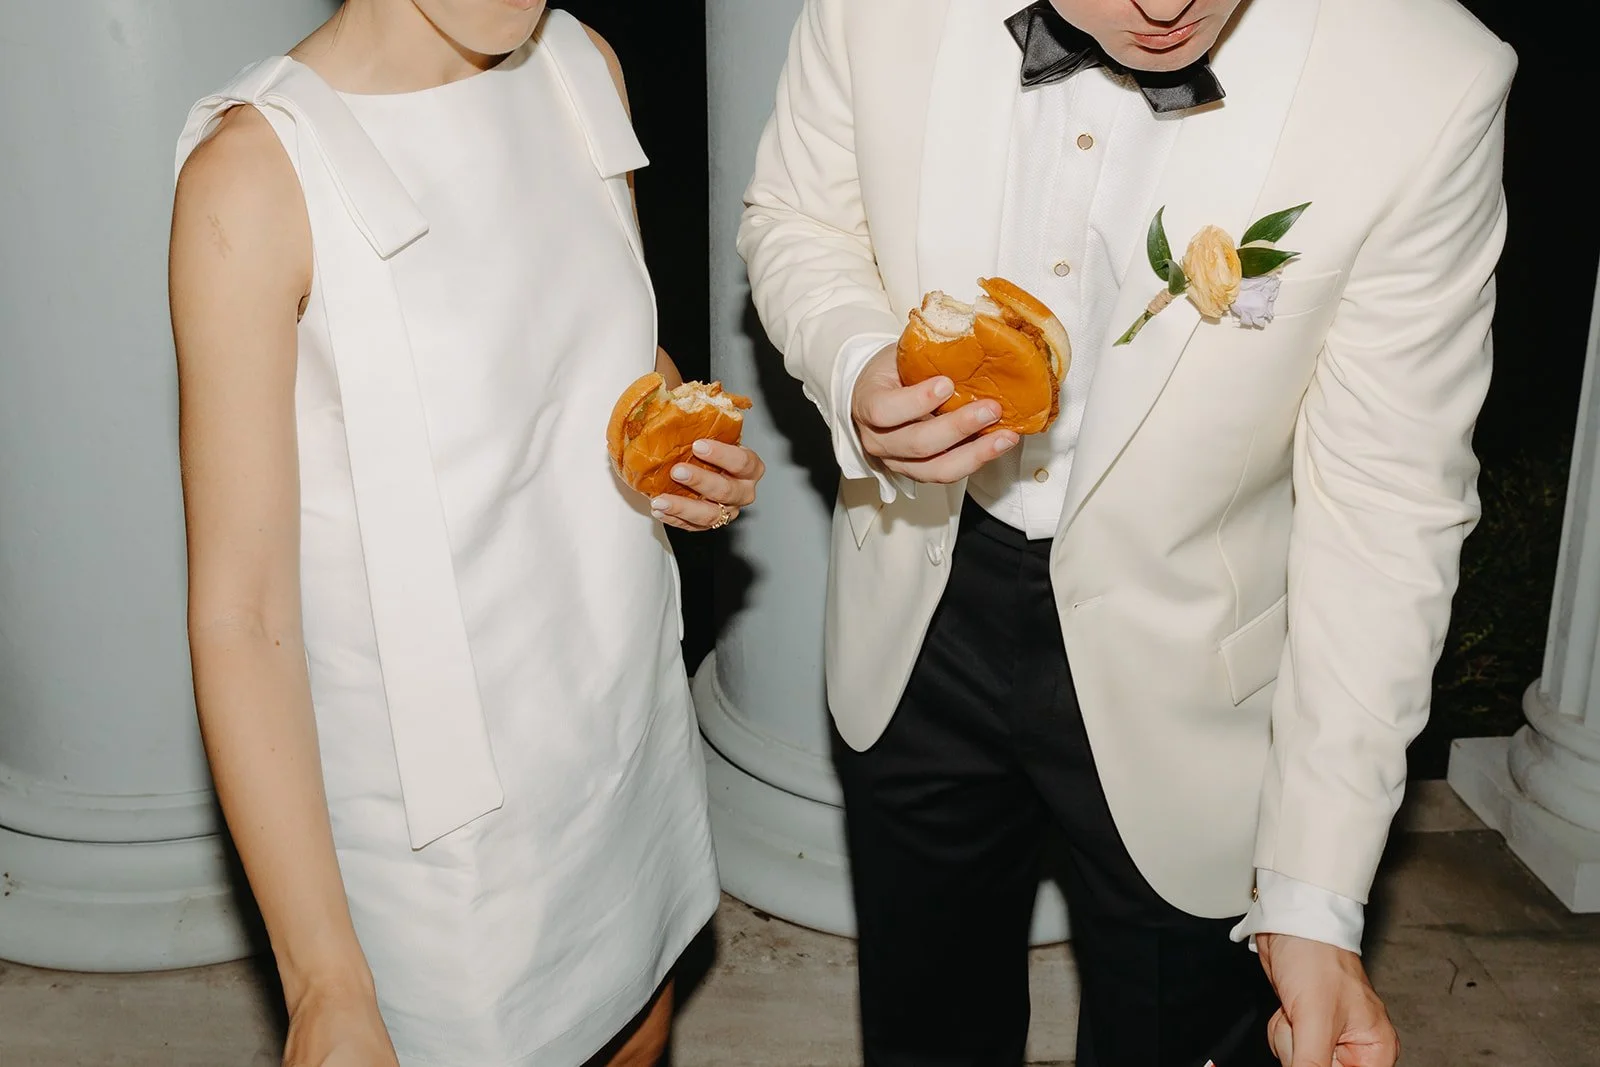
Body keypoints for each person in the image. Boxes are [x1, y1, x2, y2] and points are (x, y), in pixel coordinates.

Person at [739, 0, 1513, 1063]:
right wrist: (852, 359)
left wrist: (1314, 889)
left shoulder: (1430, 78)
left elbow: (1388, 504)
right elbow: (799, 219)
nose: (1163, 5)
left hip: (1199, 681)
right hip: (915, 616)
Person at [168, 2, 762, 1064]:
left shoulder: (581, 64)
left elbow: (608, 363)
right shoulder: (252, 176)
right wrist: (323, 977)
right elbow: (241, 612)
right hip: (433, 810)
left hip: (615, 716)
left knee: (639, 1031)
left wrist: (680, 453)